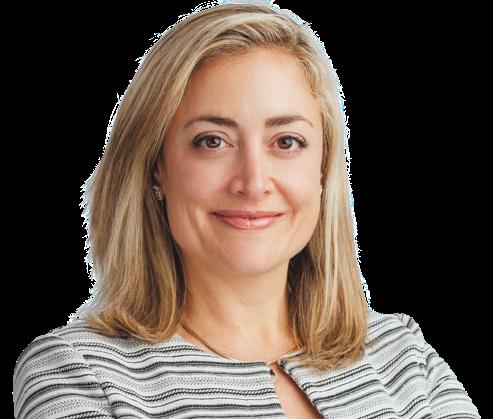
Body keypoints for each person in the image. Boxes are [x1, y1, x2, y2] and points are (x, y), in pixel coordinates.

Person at [13, 2, 480, 418]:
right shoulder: (78, 374)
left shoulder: (404, 357)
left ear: (322, 167)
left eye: (287, 142)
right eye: (212, 141)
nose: (253, 183)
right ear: (156, 165)